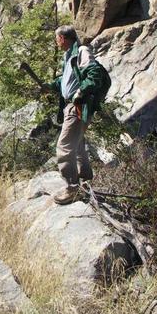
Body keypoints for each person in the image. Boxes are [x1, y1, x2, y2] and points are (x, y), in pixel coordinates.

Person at [48, 25, 102, 205]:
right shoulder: (69, 55)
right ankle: (86, 182)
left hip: (77, 106)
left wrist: (80, 92)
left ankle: (72, 189)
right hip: (71, 105)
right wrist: (51, 86)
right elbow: (66, 80)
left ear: (62, 38)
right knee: (78, 144)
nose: (56, 42)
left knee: (64, 147)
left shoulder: (81, 51)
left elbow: (93, 74)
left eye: (57, 39)